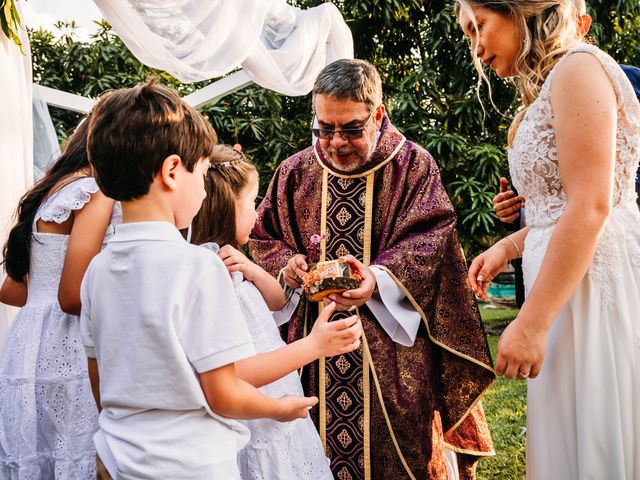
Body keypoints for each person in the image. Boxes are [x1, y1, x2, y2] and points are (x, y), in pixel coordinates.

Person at [250, 59, 495, 480]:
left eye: (350, 129)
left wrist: (376, 280)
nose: (335, 142)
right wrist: (286, 267)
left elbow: (432, 240)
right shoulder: (295, 171)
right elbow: (262, 237)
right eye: (324, 128)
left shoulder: (414, 166)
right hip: (311, 351)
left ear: (378, 115)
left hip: (390, 356)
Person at [81, 83, 318, 479]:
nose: (206, 188)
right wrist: (281, 408)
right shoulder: (198, 266)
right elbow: (223, 393)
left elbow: (100, 388)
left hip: (116, 460)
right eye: (204, 174)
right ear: (173, 171)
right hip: (190, 465)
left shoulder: (97, 271)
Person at [457, 0, 640, 478]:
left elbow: (592, 205)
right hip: (561, 287)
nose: (475, 48)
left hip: (585, 293)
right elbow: (555, 213)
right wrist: (506, 246)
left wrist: (531, 324)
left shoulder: (579, 69)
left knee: (593, 441)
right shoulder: (547, 88)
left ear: (519, 10)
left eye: (479, 26)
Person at [190, 144, 365, 479]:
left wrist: (260, 271)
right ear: (227, 208)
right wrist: (313, 346)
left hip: (279, 405)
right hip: (255, 414)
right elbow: (233, 373)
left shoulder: (233, 262)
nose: (257, 214)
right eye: (251, 203)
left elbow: (277, 302)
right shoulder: (211, 276)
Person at [0, 118, 119, 478]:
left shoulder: (48, 193)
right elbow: (72, 294)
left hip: (27, 344)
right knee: (75, 454)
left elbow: (14, 290)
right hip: (69, 343)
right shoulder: (95, 191)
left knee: (39, 454)